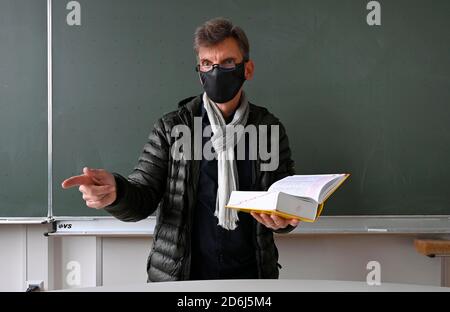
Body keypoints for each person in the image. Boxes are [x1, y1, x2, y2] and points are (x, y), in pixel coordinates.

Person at [62, 17, 298, 282]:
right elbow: (142, 197)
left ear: (248, 69)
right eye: (207, 64)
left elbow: (283, 202)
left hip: (251, 278)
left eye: (228, 62)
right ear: (199, 72)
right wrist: (116, 193)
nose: (216, 72)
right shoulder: (172, 127)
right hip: (180, 280)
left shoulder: (268, 129)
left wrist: (286, 220)